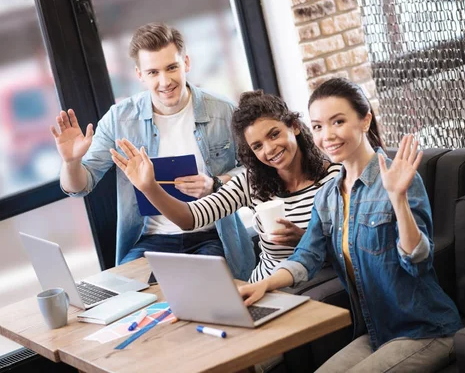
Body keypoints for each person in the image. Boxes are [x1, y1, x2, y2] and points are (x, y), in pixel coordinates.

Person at [238, 78, 463, 372]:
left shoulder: (397, 180)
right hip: (377, 332)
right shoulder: (329, 196)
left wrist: (398, 199)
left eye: (338, 121)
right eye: (318, 126)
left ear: (365, 120)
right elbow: (306, 256)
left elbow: (419, 263)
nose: (327, 135)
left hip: (426, 330)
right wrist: (263, 285)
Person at [49, 22, 255, 280]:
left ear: (186, 63)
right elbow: (80, 187)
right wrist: (71, 162)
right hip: (151, 242)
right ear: (139, 75)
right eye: (153, 72)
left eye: (172, 68)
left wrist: (216, 183)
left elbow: (256, 171)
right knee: (124, 298)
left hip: (211, 236)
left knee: (206, 296)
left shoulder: (223, 111)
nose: (164, 81)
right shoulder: (119, 119)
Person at [110, 90, 341, 282]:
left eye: (274, 134)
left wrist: (305, 239)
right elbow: (190, 218)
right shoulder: (252, 182)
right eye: (257, 146)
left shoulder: (334, 179)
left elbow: (355, 251)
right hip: (261, 288)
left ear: (294, 126)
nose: (269, 150)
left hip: (315, 284)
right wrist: (149, 187)